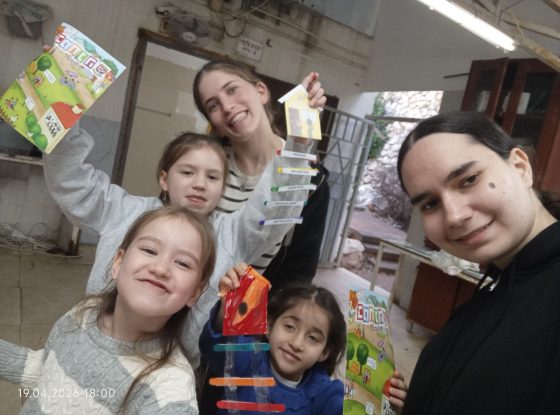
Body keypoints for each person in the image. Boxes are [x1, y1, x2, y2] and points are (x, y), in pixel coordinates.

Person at [42, 129, 311, 366]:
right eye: (187, 172)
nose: (199, 184)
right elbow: (71, 182)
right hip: (93, 346)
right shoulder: (125, 212)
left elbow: (272, 213)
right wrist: (61, 110)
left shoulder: (232, 235)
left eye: (212, 177)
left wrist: (298, 147)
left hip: (164, 371)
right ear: (164, 178)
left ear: (222, 188)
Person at [397, 111, 559, 415]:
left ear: (520, 167)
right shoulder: (499, 285)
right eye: (430, 203)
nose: (455, 216)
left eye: (469, 180)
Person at [0, 206, 218, 414]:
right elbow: (45, 370)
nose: (160, 268)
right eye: (150, 250)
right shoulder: (84, 312)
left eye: (183, 263)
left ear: (195, 292)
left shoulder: (171, 385)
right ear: (118, 263)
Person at [192, 61, 330, 291]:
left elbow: (297, 276)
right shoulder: (202, 166)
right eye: (213, 105)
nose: (227, 106)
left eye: (232, 89)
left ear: (261, 92)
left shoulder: (311, 179)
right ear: (214, 124)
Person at [199, 263, 408, 414]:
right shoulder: (246, 359)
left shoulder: (324, 393)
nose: (297, 343)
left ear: (324, 352)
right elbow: (217, 346)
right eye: (290, 327)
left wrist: (384, 402)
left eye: (313, 338)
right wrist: (227, 308)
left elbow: (352, 409)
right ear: (269, 326)